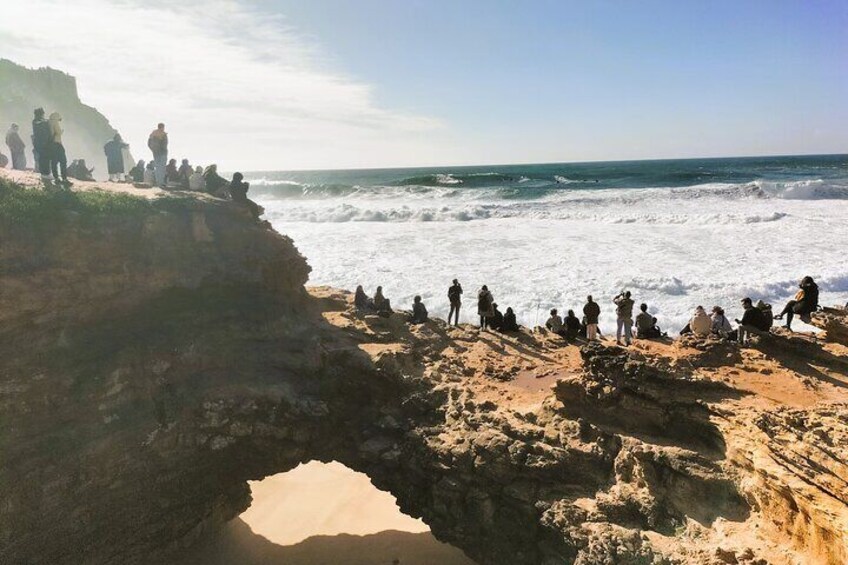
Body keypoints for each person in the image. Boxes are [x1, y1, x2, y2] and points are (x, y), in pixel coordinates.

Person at [48, 112, 70, 185]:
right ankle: (64, 178)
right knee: (63, 161)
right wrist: (61, 131)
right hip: (57, 144)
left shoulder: (48, 122)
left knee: (54, 162)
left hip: (51, 145)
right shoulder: (55, 122)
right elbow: (58, 132)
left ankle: (56, 178)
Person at [32, 108, 52, 179]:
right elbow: (42, 126)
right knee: (44, 159)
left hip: (41, 144)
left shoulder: (38, 121)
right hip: (43, 144)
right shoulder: (37, 121)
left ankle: (45, 173)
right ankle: (45, 174)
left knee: (44, 158)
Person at [147, 123, 168, 188]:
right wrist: (164, 151)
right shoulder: (163, 134)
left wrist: (153, 150)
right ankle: (161, 182)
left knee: (157, 167)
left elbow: (149, 143)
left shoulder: (152, 134)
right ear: (163, 127)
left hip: (155, 153)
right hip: (162, 153)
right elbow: (165, 144)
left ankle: (158, 181)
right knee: (162, 168)